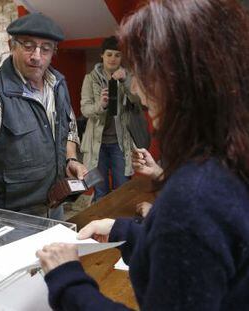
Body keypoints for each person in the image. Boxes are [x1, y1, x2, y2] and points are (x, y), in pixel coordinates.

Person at [36, 0, 249, 310]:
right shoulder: (229, 155)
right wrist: (127, 232)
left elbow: (191, 230)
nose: (136, 84)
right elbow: (199, 253)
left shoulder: (192, 198)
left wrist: (66, 279)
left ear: (181, 79)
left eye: (144, 71)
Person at [0, 13, 87, 220]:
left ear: (53, 52)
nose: (37, 56)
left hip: (55, 204)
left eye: (45, 48)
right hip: (13, 215)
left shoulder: (58, 84)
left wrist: (71, 159)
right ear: (11, 45)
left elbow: (69, 128)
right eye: (28, 46)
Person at [80, 36, 146, 202]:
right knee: (100, 192)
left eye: (117, 55)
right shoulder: (91, 78)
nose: (113, 59)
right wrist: (100, 105)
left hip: (120, 143)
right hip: (97, 145)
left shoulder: (129, 77)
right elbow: (85, 109)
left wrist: (125, 81)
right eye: (109, 54)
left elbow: (139, 102)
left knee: (123, 191)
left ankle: (120, 226)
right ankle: (102, 227)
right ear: (102, 55)